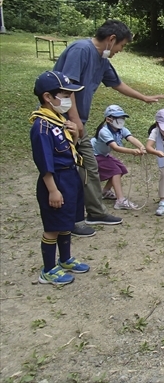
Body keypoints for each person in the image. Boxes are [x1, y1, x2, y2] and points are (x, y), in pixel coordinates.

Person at [54, 19, 164, 235]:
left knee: (89, 168)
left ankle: (95, 213)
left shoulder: (102, 59)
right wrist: (76, 121)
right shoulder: (81, 50)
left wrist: (144, 98)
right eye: (121, 46)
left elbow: (116, 83)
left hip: (78, 124)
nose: (120, 51)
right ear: (111, 39)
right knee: (71, 172)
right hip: (63, 123)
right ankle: (71, 221)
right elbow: (67, 88)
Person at [30, 71, 91, 285]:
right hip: (55, 181)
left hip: (69, 176)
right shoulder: (42, 126)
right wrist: (53, 190)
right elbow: (45, 162)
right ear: (48, 97)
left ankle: (65, 259)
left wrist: (74, 134)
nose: (68, 100)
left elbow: (67, 149)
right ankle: (48, 270)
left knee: (66, 222)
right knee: (53, 226)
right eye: (65, 95)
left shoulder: (57, 120)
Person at [91, 105, 145, 210]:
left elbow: (131, 138)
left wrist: (141, 147)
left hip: (104, 154)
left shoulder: (121, 129)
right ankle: (120, 200)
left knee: (121, 169)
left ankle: (105, 191)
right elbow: (115, 147)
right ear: (108, 119)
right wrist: (132, 151)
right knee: (115, 171)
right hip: (94, 154)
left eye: (122, 118)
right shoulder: (104, 131)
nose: (121, 120)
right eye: (117, 118)